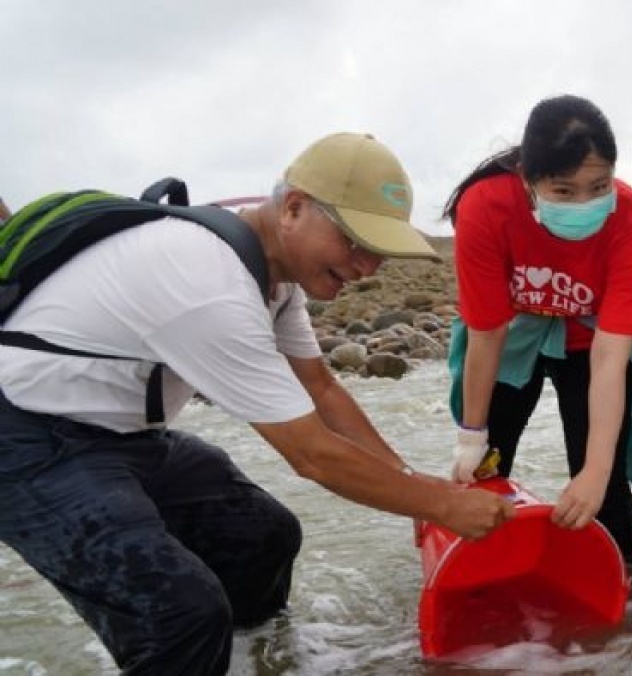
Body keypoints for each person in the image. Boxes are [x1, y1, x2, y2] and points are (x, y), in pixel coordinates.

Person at [0, 132, 516, 674]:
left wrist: (413, 485)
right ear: (293, 208)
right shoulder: (208, 281)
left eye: (380, 253)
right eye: (355, 243)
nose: (367, 268)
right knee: (182, 617)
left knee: (262, 536)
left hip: (124, 435)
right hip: (28, 442)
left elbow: (321, 388)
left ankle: (251, 664)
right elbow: (312, 455)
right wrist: (440, 505)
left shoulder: (277, 276)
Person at [441, 94, 632, 563]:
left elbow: (611, 356)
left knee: (602, 491)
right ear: (528, 179)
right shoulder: (485, 205)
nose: (583, 202)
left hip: (588, 342)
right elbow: (486, 333)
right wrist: (471, 435)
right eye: (563, 191)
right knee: (483, 474)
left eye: (599, 186)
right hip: (512, 336)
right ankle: (480, 581)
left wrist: (597, 470)